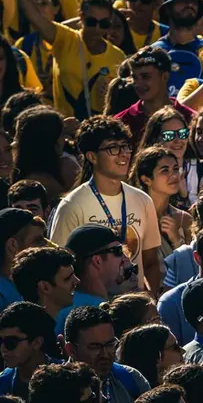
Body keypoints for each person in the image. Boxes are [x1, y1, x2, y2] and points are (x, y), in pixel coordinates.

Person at [50, 118, 163, 296]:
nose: (123, 154)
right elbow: (60, 267)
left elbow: (150, 262)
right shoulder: (71, 206)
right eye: (113, 148)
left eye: (125, 146)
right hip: (95, 309)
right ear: (92, 156)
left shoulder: (142, 200)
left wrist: (150, 298)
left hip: (136, 306)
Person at [0, 302, 58, 399]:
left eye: (11, 342)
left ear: (36, 343)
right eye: (0, 341)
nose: (3, 348)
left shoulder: (65, 378)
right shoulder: (3, 382)